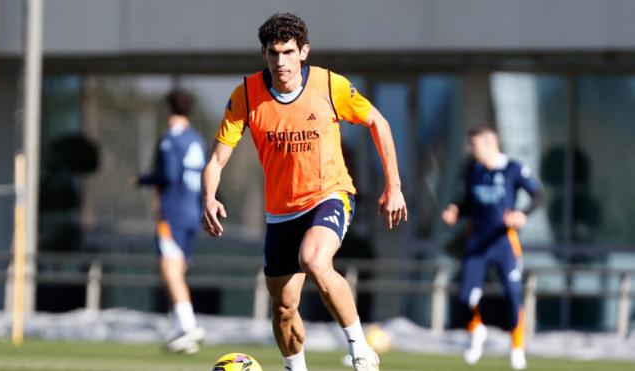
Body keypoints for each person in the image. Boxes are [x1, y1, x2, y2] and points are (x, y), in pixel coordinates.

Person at [201, 13, 407, 371]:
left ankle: (360, 349)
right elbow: (218, 158)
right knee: (283, 308)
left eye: (288, 52)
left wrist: (395, 186)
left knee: (314, 259)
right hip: (280, 212)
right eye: (273, 53)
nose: (280, 61)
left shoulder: (331, 86)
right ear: (263, 54)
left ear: (304, 52)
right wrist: (209, 196)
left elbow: (379, 123)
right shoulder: (246, 95)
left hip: (329, 194)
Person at [441, 125, 543, 370]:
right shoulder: (472, 170)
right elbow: (468, 201)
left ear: (489, 144)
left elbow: (538, 195)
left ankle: (517, 348)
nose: (470, 149)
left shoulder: (513, 169)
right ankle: (476, 332)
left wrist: (522, 213)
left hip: (504, 242)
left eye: (473, 145)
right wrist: (456, 210)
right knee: (464, 297)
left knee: (512, 296)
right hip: (477, 242)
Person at [136, 89, 207, 353]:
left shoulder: (170, 140)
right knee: (178, 270)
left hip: (173, 213)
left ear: (169, 109)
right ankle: (181, 331)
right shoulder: (197, 140)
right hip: (193, 212)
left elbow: (167, 175)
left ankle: (188, 326)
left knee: (170, 271)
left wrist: (141, 179)